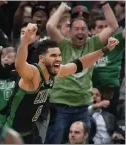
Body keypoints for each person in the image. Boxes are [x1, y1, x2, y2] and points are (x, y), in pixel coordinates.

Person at [5, 23, 119, 143]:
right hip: (12, 133)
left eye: (59, 55)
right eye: (53, 55)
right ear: (41, 59)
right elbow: (19, 65)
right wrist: (24, 42)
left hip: (30, 132)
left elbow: (81, 63)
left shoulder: (55, 72)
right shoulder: (33, 73)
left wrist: (104, 50)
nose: (59, 59)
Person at [45, 1, 119, 143]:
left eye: (83, 29)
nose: (80, 32)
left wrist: (104, 3)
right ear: (70, 31)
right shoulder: (62, 44)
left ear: (88, 31)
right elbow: (49, 26)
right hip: (60, 107)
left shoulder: (93, 43)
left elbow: (114, 26)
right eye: (76, 29)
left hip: (83, 108)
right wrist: (63, 6)